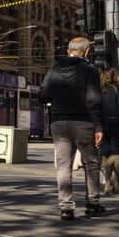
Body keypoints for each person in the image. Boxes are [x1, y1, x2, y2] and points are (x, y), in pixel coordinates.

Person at [39, 36, 106, 220]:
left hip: (59, 123)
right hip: (84, 122)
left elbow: (43, 95)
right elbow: (94, 100)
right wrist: (99, 126)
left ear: (69, 50)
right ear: (86, 52)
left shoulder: (54, 69)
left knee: (63, 165)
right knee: (91, 163)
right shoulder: (90, 70)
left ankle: (66, 208)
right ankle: (93, 203)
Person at [98, 68, 119, 159]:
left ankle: (105, 170)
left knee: (104, 150)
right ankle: (114, 170)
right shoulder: (118, 89)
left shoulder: (99, 89)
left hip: (102, 123)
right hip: (115, 124)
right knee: (115, 151)